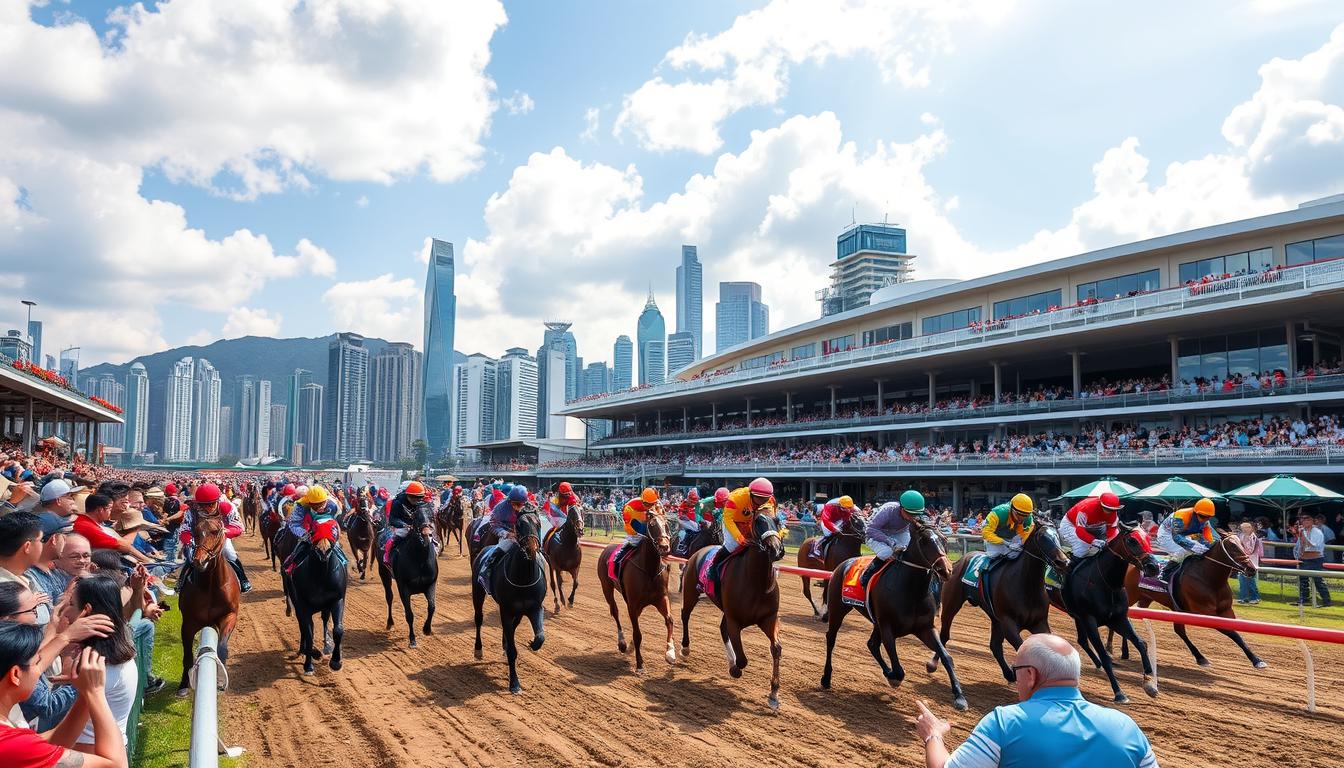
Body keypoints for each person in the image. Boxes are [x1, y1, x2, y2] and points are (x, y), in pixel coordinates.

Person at [913, 633, 1158, 768]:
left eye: (1016, 669)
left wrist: (933, 735)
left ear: (1031, 675)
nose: (1015, 676)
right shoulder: (1127, 726)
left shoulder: (1003, 722)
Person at [0, 625, 129, 768]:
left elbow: (48, 742)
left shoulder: (11, 739)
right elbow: (116, 765)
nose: (40, 671)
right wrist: (96, 692)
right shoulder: (12, 745)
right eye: (37, 663)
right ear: (16, 674)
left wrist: (86, 696)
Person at [178, 483, 251, 592]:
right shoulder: (191, 510)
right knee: (191, 556)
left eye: (211, 504)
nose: (207, 508)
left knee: (229, 553)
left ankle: (243, 579)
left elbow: (238, 526)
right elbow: (184, 529)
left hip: (220, 536)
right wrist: (189, 540)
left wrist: (225, 532)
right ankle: (181, 581)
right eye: (203, 505)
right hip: (198, 538)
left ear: (217, 501)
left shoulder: (226, 507)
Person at [709, 478, 776, 583]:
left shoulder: (770, 499)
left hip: (749, 522)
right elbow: (728, 519)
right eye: (759, 499)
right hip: (733, 522)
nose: (762, 503)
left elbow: (770, 518)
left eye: (765, 500)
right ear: (751, 494)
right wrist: (740, 539)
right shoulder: (735, 499)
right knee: (733, 545)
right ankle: (713, 567)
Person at [859, 490, 930, 587]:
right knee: (887, 552)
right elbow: (871, 530)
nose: (912, 517)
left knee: (912, 551)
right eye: (910, 513)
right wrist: (890, 541)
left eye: (915, 514)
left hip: (900, 532)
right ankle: (866, 576)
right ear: (901, 508)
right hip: (875, 533)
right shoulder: (888, 510)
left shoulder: (914, 513)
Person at [72, 492, 153, 565]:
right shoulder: (87, 526)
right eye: (109, 509)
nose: (110, 512)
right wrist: (148, 561)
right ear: (100, 510)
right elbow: (123, 546)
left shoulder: (85, 521)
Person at [1155, 498, 1218, 581]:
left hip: (1185, 534)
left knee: (1201, 549)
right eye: (1202, 516)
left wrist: (1211, 546)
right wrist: (1192, 546)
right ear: (1195, 512)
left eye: (1208, 517)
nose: (1204, 519)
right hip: (1167, 534)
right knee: (1184, 550)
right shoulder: (1181, 515)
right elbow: (1176, 537)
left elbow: (1209, 540)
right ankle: (1165, 572)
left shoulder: (1206, 522)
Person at [285, 485, 342, 571]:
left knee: (339, 552)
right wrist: (305, 534)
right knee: (298, 550)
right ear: (309, 503)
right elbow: (294, 524)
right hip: (308, 532)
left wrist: (335, 533)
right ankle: (290, 566)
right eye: (316, 506)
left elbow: (335, 520)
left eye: (322, 504)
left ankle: (344, 564)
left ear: (326, 500)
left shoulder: (333, 504)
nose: (320, 507)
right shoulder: (301, 506)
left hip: (328, 533)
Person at [1060, 492, 1123, 563]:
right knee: (1083, 545)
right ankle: (1072, 566)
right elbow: (1079, 531)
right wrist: (1094, 541)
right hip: (1071, 524)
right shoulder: (1086, 508)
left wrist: (1108, 541)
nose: (1110, 512)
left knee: (1116, 537)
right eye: (1107, 509)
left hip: (1093, 526)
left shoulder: (1113, 513)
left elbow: (1112, 530)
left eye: (1113, 509)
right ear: (1100, 504)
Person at [982, 494, 1036, 570]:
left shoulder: (1028, 518)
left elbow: (1026, 535)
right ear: (1011, 509)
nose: (1021, 519)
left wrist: (1020, 543)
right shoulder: (998, 513)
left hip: (1013, 541)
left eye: (1025, 516)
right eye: (1019, 515)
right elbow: (986, 533)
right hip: (994, 541)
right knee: (995, 555)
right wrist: (1005, 542)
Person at [612, 487, 660, 570]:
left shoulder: (654, 502)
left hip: (642, 515)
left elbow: (659, 514)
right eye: (648, 504)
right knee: (636, 539)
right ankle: (619, 556)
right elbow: (628, 526)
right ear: (643, 501)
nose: (650, 506)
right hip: (632, 515)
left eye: (652, 504)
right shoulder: (630, 507)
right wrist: (633, 532)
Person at [1292, 513, 1332, 607]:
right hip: (1304, 559)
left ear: (1312, 521)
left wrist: (1302, 537)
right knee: (1303, 581)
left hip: (1315, 559)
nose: (1305, 521)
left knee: (1318, 581)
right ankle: (1304, 600)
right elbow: (1299, 546)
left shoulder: (1317, 532)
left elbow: (1313, 545)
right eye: (1303, 519)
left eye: (1308, 519)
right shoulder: (1303, 532)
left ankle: (1327, 601)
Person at [810, 495, 857, 560]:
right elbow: (826, 520)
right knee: (829, 534)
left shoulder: (850, 505)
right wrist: (835, 529)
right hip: (828, 520)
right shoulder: (829, 505)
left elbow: (858, 515)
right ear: (839, 505)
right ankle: (818, 549)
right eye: (846, 508)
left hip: (840, 518)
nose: (848, 510)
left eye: (849, 508)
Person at [1236, 521, 1264, 605]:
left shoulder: (1255, 538)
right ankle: (1243, 597)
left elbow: (1251, 551)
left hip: (1252, 562)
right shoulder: (1241, 536)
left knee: (1251, 581)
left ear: (1250, 528)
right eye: (1242, 528)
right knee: (1242, 580)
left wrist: (1242, 549)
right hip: (1243, 562)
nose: (1244, 530)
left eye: (1245, 528)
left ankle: (1255, 598)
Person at [674, 488, 702, 554]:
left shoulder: (700, 505)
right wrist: (683, 516)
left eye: (694, 502)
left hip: (698, 524)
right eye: (691, 501)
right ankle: (682, 546)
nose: (692, 503)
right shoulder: (684, 504)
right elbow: (680, 513)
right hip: (687, 526)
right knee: (682, 533)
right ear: (688, 499)